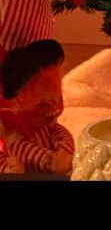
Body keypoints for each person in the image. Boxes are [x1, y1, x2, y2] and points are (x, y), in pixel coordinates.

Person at [0, 39, 74, 175]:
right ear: (15, 104)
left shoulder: (48, 125)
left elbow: (60, 132)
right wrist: (8, 170)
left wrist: (64, 150)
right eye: (43, 105)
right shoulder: (8, 133)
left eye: (58, 101)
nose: (53, 112)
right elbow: (17, 148)